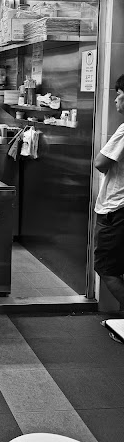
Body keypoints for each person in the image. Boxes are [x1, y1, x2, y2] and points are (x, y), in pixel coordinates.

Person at [94, 73, 124, 317]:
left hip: (117, 209)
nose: (116, 101)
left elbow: (101, 162)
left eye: (119, 95)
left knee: (106, 267)